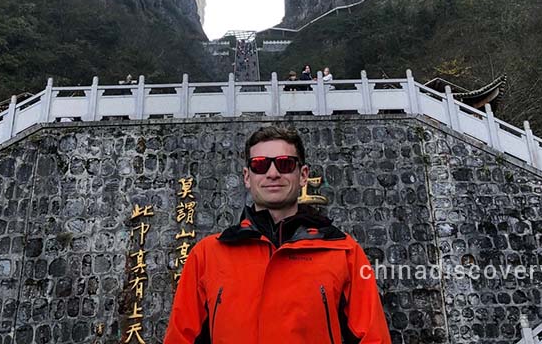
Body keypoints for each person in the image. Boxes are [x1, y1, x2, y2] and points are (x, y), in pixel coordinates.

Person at [164, 126, 392, 343]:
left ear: (303, 175)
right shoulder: (207, 255)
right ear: (247, 177)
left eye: (284, 164)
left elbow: (373, 337)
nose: (272, 173)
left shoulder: (343, 252)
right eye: (260, 165)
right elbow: (181, 337)